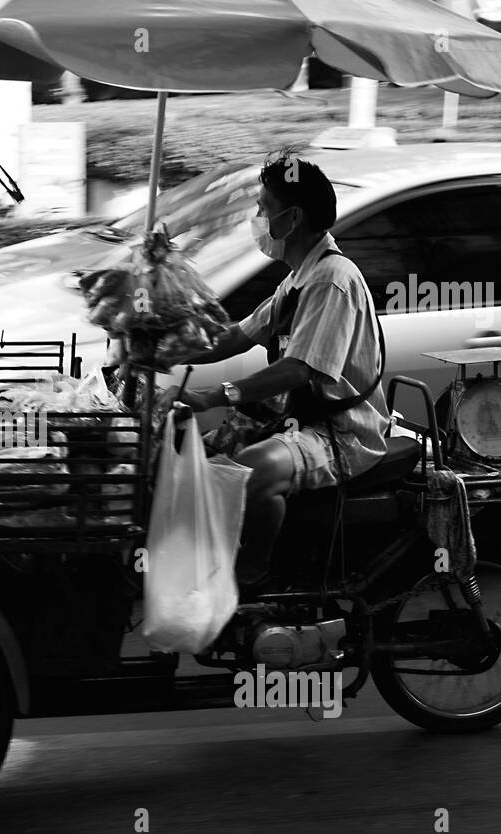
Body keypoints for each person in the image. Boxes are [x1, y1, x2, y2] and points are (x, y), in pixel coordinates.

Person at [158, 152, 389, 594]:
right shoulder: (299, 278)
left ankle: (253, 580)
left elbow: (298, 369)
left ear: (293, 217)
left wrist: (215, 395)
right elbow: (239, 336)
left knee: (254, 469)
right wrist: (162, 351)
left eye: (264, 208)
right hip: (303, 422)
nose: (258, 218)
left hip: (341, 434)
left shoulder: (331, 280)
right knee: (200, 454)